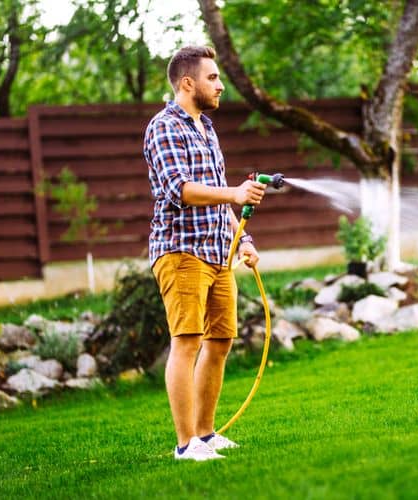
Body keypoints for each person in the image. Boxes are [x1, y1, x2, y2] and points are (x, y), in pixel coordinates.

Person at [143, 45, 266, 461]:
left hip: (217, 252)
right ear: (187, 83)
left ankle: (206, 434)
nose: (220, 86)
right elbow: (179, 189)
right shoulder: (163, 127)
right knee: (187, 341)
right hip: (181, 251)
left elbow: (219, 198)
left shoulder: (207, 129)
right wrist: (234, 191)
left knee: (220, 341)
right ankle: (184, 445)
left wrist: (244, 240)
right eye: (213, 78)